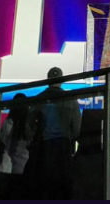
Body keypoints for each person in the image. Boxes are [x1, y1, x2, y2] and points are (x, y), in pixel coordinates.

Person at [29, 67, 81, 199]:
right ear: (62, 80)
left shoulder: (39, 99)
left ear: (48, 79)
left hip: (43, 146)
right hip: (63, 145)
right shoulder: (70, 99)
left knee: (44, 183)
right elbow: (76, 127)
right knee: (62, 183)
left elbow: (29, 125)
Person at [0, 93, 33, 199]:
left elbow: (2, 142)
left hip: (6, 168)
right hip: (23, 169)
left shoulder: (9, 123)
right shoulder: (29, 126)